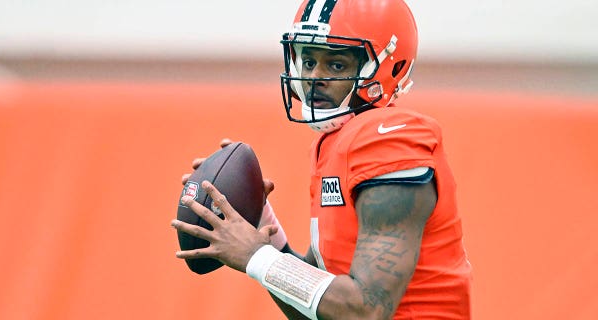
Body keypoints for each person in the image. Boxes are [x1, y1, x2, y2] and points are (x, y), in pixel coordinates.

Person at [172, 0, 472, 319]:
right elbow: (318, 310)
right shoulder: (336, 143)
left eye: (337, 65)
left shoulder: (389, 139)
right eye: (310, 60)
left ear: (388, 67)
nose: (315, 77)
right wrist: (261, 226)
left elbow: (363, 310)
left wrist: (256, 256)